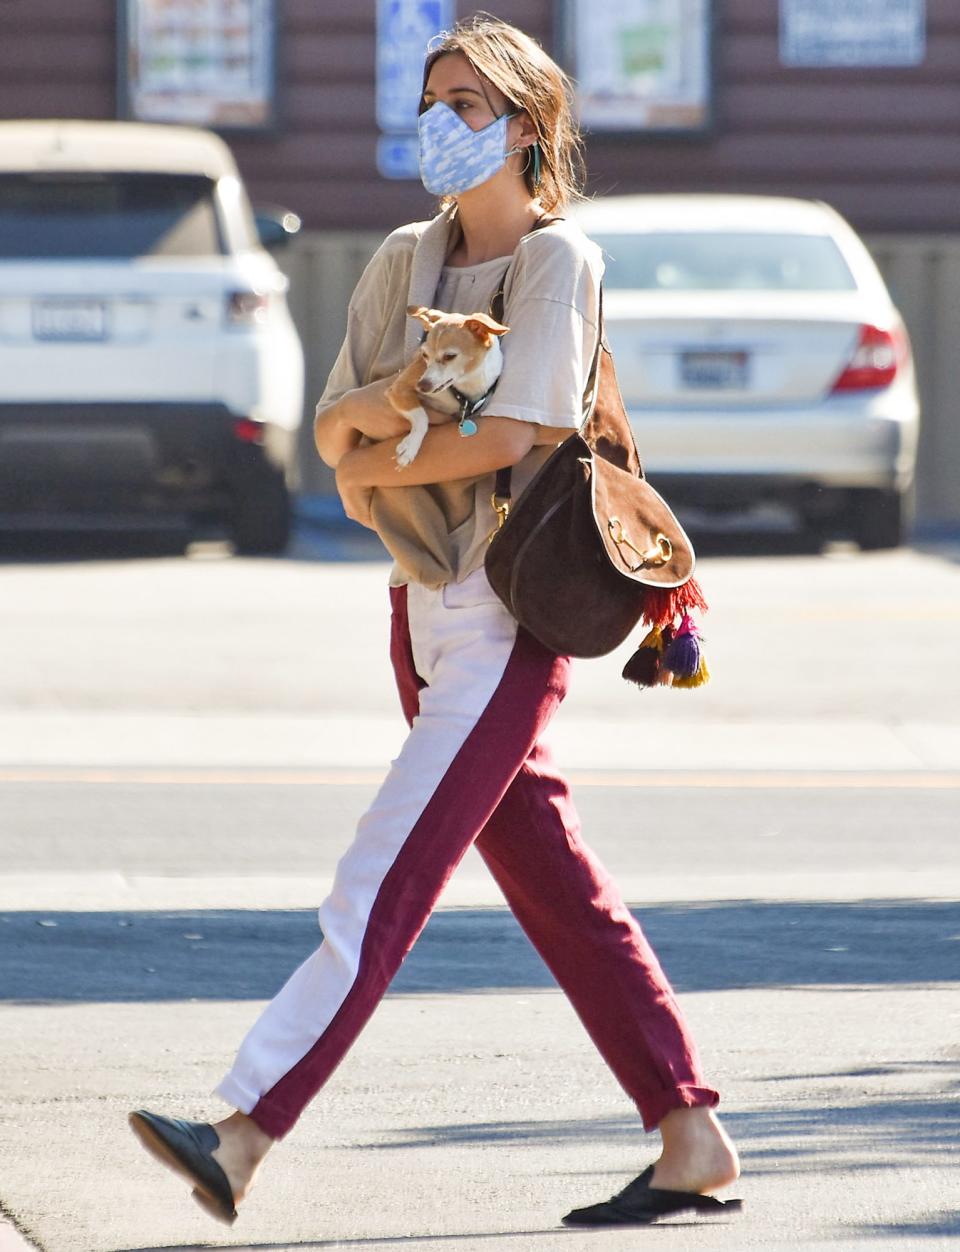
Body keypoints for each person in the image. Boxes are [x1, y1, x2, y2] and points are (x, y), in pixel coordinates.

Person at [128, 15, 740, 1229]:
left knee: (384, 874)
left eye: (469, 105)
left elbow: (511, 434)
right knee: (557, 886)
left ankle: (245, 1129)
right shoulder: (402, 261)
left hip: (510, 614)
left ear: (529, 127)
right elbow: (326, 439)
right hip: (418, 611)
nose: (442, 125)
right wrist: (374, 454)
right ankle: (689, 1131)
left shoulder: (562, 264)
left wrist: (380, 453)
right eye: (433, 100)